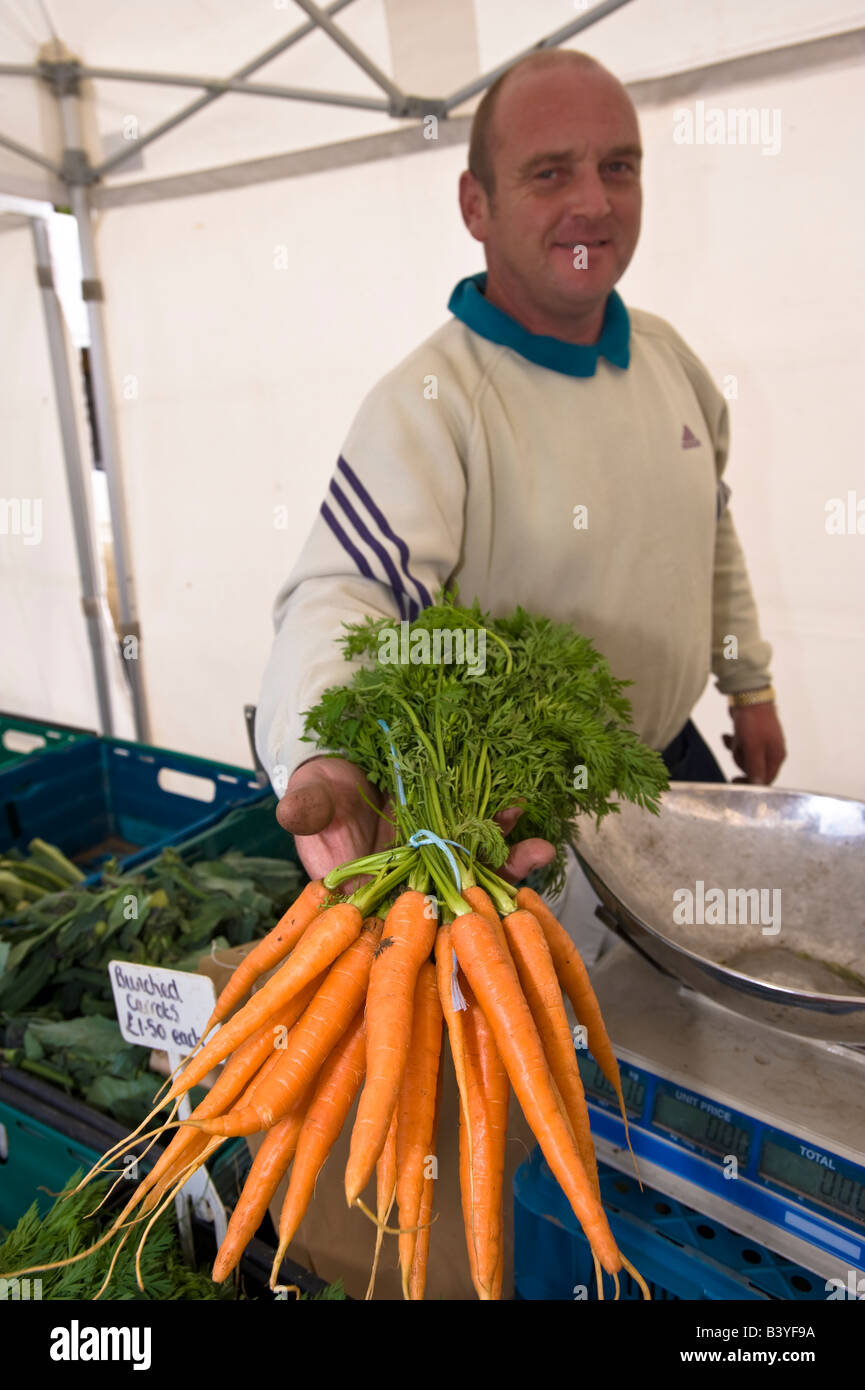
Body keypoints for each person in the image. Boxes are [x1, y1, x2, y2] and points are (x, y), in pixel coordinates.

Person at [252, 48, 787, 1298]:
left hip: (665, 769)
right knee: (553, 1107)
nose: (593, 202)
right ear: (476, 206)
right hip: (518, 828)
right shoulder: (430, 404)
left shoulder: (668, 359)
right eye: (549, 173)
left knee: (704, 1050)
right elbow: (337, 590)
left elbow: (711, 525)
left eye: (618, 167)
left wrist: (745, 678)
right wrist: (318, 751)